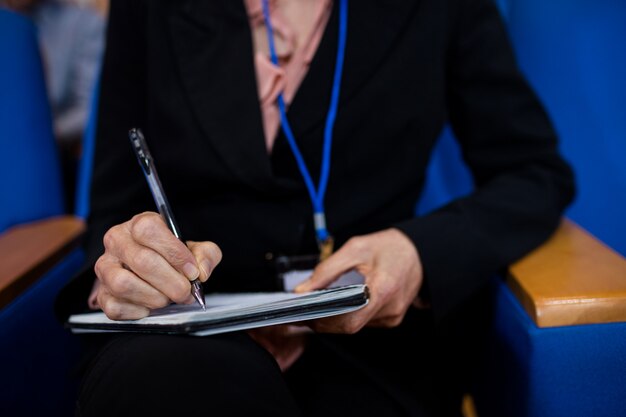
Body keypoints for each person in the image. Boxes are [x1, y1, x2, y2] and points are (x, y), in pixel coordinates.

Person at [57, 0, 576, 416]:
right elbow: (114, 206)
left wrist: (418, 250)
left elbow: (534, 173)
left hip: (365, 346)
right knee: (178, 384)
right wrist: (123, 270)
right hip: (186, 329)